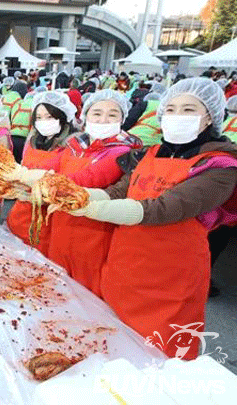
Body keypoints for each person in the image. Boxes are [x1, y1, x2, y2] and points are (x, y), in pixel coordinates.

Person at [68, 78, 237, 359]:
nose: (176, 117)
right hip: (125, 266)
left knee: (156, 357)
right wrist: (82, 197)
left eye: (188, 110)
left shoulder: (220, 166)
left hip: (169, 280)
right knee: (112, 348)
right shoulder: (152, 152)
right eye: (170, 109)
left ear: (210, 116)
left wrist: (93, 209)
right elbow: (119, 191)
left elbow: (166, 207)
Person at [13, 90, 142, 296]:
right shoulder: (74, 146)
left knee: (83, 294)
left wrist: (25, 176)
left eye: (112, 115)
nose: (103, 119)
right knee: (54, 286)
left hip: (91, 232)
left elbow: (85, 180)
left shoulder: (121, 151)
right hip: (59, 225)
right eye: (97, 113)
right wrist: (31, 190)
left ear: (122, 119)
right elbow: (56, 173)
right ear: (86, 116)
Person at [6, 91, 77, 255]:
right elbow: (23, 168)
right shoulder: (33, 140)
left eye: (49, 117)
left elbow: (64, 185)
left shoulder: (71, 146)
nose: (43, 122)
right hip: (19, 215)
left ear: (62, 117)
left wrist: (29, 195)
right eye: (38, 117)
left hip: (45, 222)